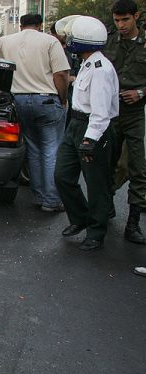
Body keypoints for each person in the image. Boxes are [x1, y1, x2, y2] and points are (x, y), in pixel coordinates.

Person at [0, 14, 70, 212]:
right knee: (51, 150)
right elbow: (61, 74)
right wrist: (63, 98)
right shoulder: (50, 41)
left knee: (34, 151)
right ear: (40, 25)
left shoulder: (6, 41)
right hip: (46, 100)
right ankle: (51, 200)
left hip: (18, 101)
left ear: (20, 26)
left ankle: (39, 196)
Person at [54, 16, 119, 250]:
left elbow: (101, 112)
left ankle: (96, 231)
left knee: (97, 183)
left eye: (72, 36)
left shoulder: (100, 69)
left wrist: (90, 139)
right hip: (75, 124)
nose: (68, 39)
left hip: (93, 128)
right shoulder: (86, 63)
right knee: (62, 175)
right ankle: (80, 218)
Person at [103, 0, 146, 244]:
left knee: (137, 168)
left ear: (136, 17)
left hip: (134, 113)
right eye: (117, 20)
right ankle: (105, 206)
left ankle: (133, 224)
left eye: (125, 20)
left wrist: (141, 92)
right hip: (110, 112)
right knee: (107, 164)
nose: (121, 25)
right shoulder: (109, 41)